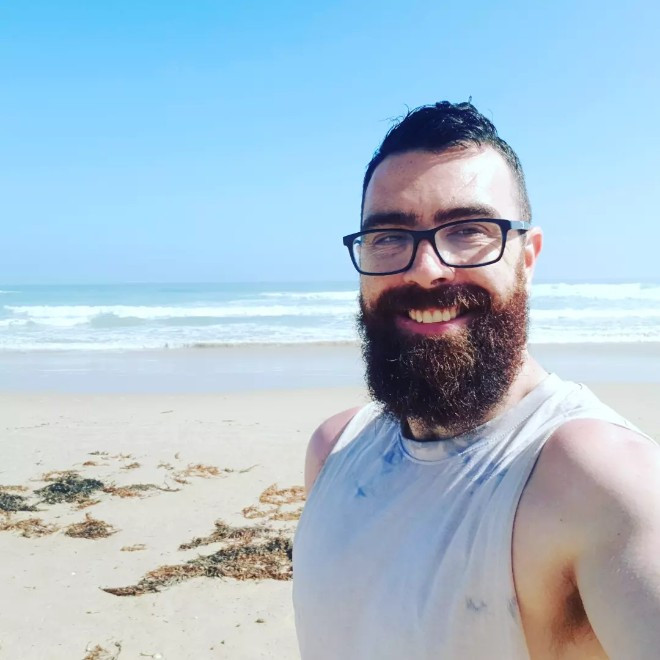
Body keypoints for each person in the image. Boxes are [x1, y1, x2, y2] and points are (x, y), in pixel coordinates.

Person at [292, 101, 660, 659]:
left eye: (468, 230)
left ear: (527, 257)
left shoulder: (602, 480)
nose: (426, 268)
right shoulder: (333, 450)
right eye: (389, 236)